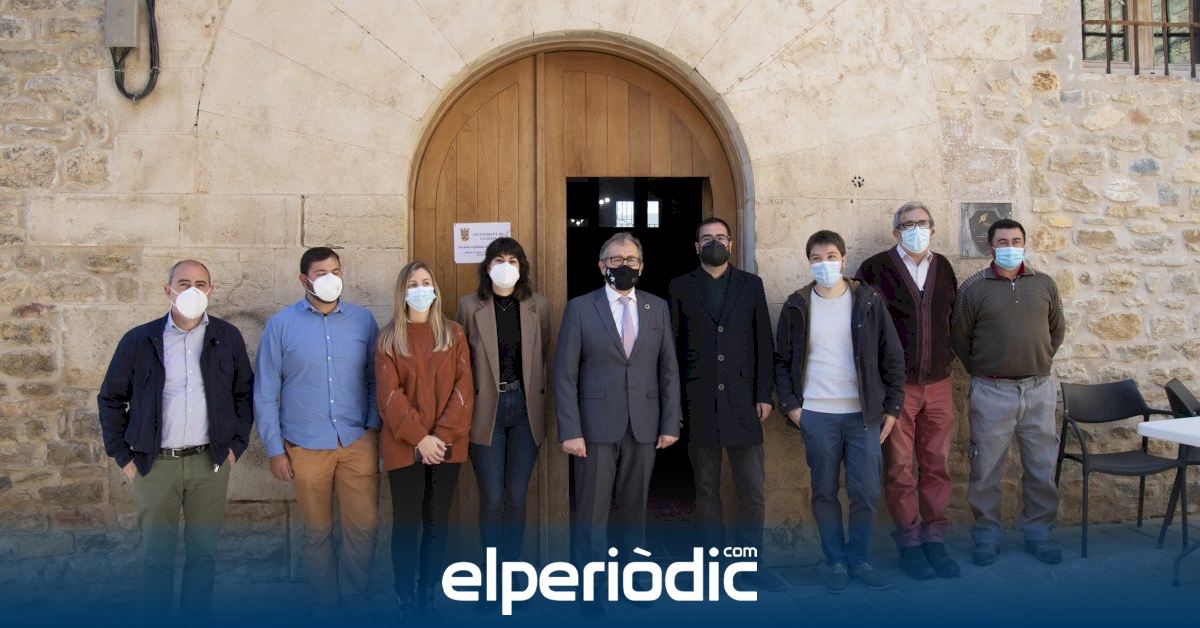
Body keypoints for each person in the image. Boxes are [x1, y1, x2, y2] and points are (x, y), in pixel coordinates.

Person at [97, 259, 254, 620]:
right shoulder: (140, 340)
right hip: (155, 465)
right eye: (183, 283)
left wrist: (235, 448)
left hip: (209, 464)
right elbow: (110, 399)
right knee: (156, 559)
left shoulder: (227, 337)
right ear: (167, 290)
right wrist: (123, 457)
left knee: (203, 556)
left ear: (211, 290)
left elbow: (244, 394)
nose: (192, 290)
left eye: (200, 284)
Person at [554, 231, 681, 617]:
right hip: (594, 429)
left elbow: (668, 369)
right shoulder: (580, 308)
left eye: (630, 260)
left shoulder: (657, 308)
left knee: (635, 507)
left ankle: (634, 577)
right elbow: (565, 374)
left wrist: (670, 422)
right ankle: (591, 586)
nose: (623, 265)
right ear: (601, 266)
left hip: (644, 425)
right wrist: (570, 429)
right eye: (615, 260)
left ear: (641, 265)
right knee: (591, 511)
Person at [774, 230, 906, 594]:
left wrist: (892, 408)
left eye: (831, 257)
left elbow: (893, 356)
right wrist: (793, 408)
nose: (825, 264)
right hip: (816, 415)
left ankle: (858, 559)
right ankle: (834, 561)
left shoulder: (868, 300)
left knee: (866, 491)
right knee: (824, 491)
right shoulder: (797, 304)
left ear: (844, 260)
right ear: (809, 263)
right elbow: (782, 361)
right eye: (817, 258)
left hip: (863, 415)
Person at [254, 247, 380, 618]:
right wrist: (275, 449)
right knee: (316, 531)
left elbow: (376, 379)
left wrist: (372, 428)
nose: (330, 279)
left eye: (336, 271)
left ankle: (355, 601)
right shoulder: (281, 325)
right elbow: (265, 391)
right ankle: (325, 606)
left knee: (363, 528)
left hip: (356, 441)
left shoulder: (363, 321)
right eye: (321, 273)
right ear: (303, 279)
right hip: (305, 445)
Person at [667, 217, 782, 592]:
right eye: (707, 238)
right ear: (696, 246)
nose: (714, 243)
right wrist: (674, 403)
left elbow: (763, 342)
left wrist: (764, 394)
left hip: (744, 403)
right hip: (698, 401)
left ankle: (750, 565)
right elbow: (672, 348)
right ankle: (714, 567)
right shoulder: (680, 286)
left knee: (752, 489)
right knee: (706, 490)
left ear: (731, 244)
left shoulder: (751, 285)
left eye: (720, 237)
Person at [951, 218, 1065, 567]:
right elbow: (960, 338)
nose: (1010, 247)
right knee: (985, 468)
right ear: (990, 247)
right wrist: (984, 368)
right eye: (1003, 242)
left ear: (1024, 244)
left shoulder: (1044, 284)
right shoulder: (973, 288)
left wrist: (1037, 360)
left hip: (1038, 389)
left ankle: (1039, 533)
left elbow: (1056, 331)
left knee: (1041, 466)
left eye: (1016, 241)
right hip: (991, 390)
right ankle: (987, 536)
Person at [856, 201, 960, 580]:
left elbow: (954, 319)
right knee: (900, 468)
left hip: (939, 383)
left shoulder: (944, 267)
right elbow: (864, 326)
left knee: (936, 465)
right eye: (908, 224)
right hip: (897, 388)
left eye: (922, 223)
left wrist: (948, 356)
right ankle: (910, 543)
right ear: (896, 231)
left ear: (933, 228)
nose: (916, 229)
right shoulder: (874, 269)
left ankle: (935, 539)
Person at [376, 260, 473, 621]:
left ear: (435, 288)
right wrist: (420, 438)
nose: (420, 289)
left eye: (426, 282)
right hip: (404, 445)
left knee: (436, 521)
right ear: (402, 292)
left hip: (447, 445)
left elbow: (464, 389)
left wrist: (440, 438)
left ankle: (427, 594)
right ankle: (405, 597)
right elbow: (389, 396)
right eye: (413, 283)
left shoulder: (454, 334)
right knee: (406, 523)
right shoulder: (388, 339)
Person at [455, 238, 551, 567]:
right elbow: (461, 362)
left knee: (516, 496)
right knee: (492, 498)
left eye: (512, 260)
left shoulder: (538, 305)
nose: (506, 266)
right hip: (486, 409)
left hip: (525, 408)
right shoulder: (469, 306)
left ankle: (511, 571)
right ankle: (492, 573)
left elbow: (542, 353)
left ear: (522, 267)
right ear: (487, 267)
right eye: (499, 260)